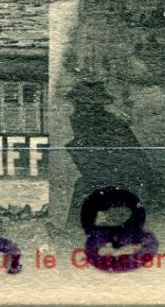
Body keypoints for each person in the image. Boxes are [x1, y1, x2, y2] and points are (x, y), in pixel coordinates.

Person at [65, 80, 158, 232]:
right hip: (114, 175)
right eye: (76, 103)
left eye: (84, 105)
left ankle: (74, 233)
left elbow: (129, 162)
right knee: (83, 184)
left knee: (84, 186)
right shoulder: (87, 123)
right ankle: (75, 231)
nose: (76, 110)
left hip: (130, 180)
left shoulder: (107, 124)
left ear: (96, 106)